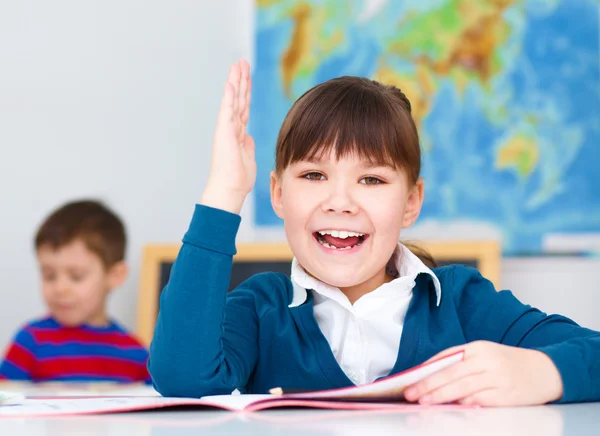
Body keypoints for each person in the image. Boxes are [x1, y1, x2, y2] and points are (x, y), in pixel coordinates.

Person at [148, 60, 600, 405]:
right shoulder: (262, 309)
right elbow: (183, 378)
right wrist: (224, 193)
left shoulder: (461, 302)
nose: (340, 201)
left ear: (411, 202)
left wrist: (539, 372)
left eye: (371, 180)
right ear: (278, 194)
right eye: (313, 175)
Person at [0, 200, 150, 383]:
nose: (60, 288)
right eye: (49, 275)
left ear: (115, 275)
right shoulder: (30, 342)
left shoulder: (136, 355)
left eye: (76, 276)